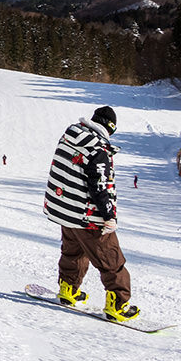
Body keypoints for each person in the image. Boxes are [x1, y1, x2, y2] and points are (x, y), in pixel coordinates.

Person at [42, 105, 140, 322]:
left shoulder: (71, 135)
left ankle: (68, 289)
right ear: (109, 129)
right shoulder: (98, 149)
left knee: (73, 251)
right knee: (110, 259)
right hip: (87, 216)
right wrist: (109, 216)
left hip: (65, 210)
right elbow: (101, 186)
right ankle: (118, 304)